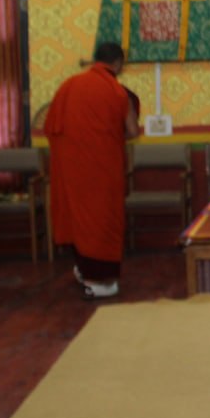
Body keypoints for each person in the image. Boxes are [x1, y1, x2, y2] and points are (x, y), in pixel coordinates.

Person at [46, 42, 139, 300]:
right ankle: (98, 280)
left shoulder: (68, 86)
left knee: (78, 218)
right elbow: (132, 131)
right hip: (102, 171)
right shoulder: (116, 92)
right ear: (118, 64)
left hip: (72, 170)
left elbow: (51, 126)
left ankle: (83, 269)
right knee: (102, 221)